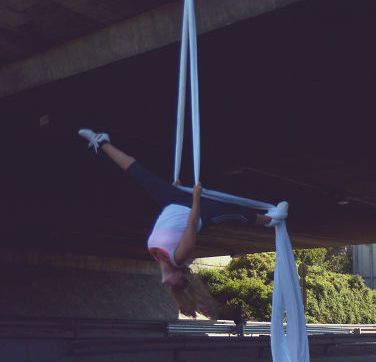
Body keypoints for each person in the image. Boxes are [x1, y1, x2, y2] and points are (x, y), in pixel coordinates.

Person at [78, 128, 277, 318]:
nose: (169, 284)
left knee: (139, 173)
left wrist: (174, 191)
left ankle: (101, 141)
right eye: (177, 283)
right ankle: (271, 219)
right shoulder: (178, 258)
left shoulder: (155, 255)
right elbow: (191, 225)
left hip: (172, 202)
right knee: (236, 213)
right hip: (196, 212)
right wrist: (196, 197)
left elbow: (165, 222)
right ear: (180, 275)